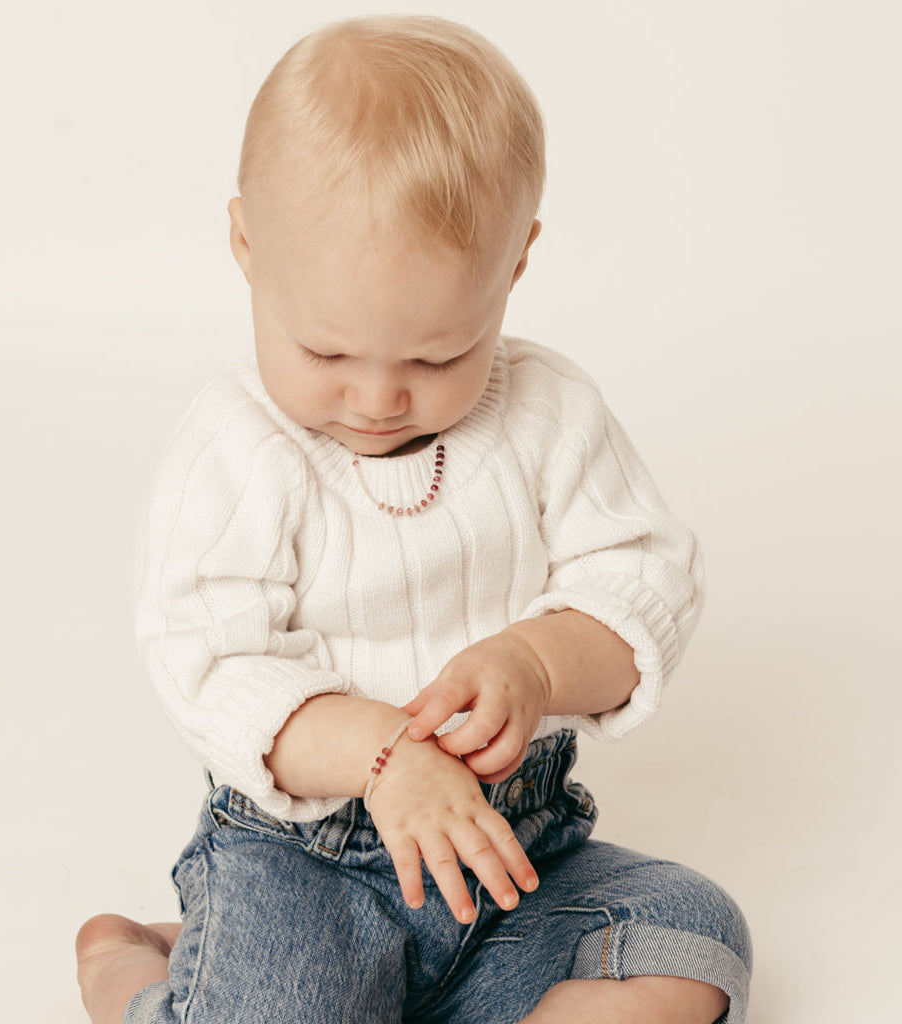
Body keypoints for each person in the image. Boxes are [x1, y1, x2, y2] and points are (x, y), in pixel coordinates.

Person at [76, 15, 751, 1024]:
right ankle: (134, 978)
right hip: (303, 869)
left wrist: (535, 660)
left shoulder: (547, 412)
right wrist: (383, 756)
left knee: (693, 933)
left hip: (511, 852)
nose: (379, 398)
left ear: (513, 266)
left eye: (437, 357)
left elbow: (642, 582)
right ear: (246, 246)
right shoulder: (239, 449)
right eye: (326, 353)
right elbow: (211, 664)